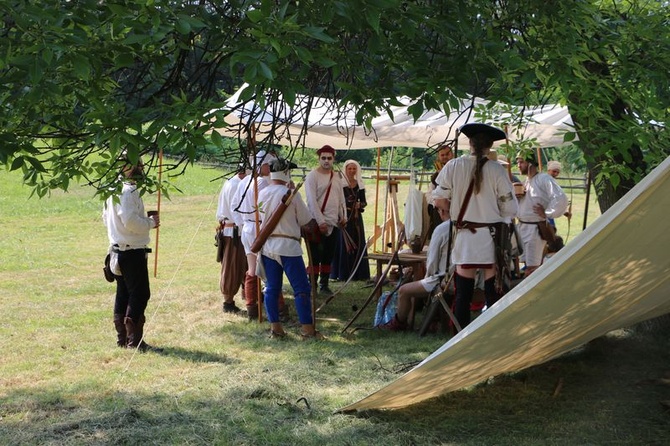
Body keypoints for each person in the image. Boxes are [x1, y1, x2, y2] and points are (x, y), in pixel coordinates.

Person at [433, 123, 518, 329]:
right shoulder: (497, 169)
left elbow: (439, 199)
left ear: (469, 143)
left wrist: (451, 214)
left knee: (463, 292)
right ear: (489, 147)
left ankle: (460, 336)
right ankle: (493, 333)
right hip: (490, 237)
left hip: (465, 237)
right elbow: (510, 207)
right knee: (492, 291)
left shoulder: (453, 166)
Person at [257, 159, 324, 339]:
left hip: (268, 246)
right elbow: (307, 221)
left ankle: (276, 328)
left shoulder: (263, 193)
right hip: (288, 247)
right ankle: (308, 330)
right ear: (286, 173)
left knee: (271, 288)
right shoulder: (291, 194)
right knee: (301, 288)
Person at [102, 154, 162, 351]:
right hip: (130, 251)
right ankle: (133, 341)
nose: (142, 168)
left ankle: (124, 339)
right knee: (139, 293)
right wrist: (150, 223)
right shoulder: (127, 191)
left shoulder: (112, 189)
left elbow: (107, 218)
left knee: (124, 293)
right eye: (139, 165)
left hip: (119, 249)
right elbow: (130, 221)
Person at [380, 212, 452, 331]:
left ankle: (399, 323)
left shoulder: (443, 229)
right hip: (463, 279)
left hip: (444, 280)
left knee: (404, 290)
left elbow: (432, 261)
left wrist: (428, 276)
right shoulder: (472, 227)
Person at [231, 150, 280, 320]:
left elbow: (234, 206)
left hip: (248, 228)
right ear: (261, 166)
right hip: (258, 229)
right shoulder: (262, 184)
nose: (271, 168)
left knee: (252, 268)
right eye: (268, 165)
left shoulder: (244, 182)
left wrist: (243, 224)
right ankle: (275, 307)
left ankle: (252, 307)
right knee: (269, 267)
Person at [515, 151, 569, 276]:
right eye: (517, 162)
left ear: (530, 163)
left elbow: (560, 197)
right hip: (523, 227)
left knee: (533, 269)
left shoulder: (544, 179)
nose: (518, 165)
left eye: (521, 162)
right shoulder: (526, 181)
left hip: (535, 229)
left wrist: (547, 213)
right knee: (526, 265)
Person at [304, 145, 346, 295]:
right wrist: (320, 221)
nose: (326, 161)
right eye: (323, 158)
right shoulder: (312, 176)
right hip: (316, 223)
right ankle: (312, 285)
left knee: (328, 255)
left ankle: (324, 284)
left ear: (333, 159)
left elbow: (340, 198)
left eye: (329, 158)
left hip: (333, 222)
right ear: (319, 159)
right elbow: (311, 201)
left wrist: (343, 216)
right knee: (315, 256)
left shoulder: (336, 176)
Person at [330, 159, 371, 282]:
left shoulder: (360, 185)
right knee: (343, 243)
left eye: (354, 168)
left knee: (357, 243)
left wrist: (360, 205)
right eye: (349, 168)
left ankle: (358, 274)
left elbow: (364, 202)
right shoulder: (340, 184)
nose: (352, 171)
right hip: (343, 216)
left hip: (356, 218)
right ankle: (342, 274)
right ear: (345, 170)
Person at [215, 163, 248, 314]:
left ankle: (248, 294)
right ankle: (228, 302)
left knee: (243, 265)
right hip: (234, 232)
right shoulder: (236, 184)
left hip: (235, 230)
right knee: (232, 267)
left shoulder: (231, 182)